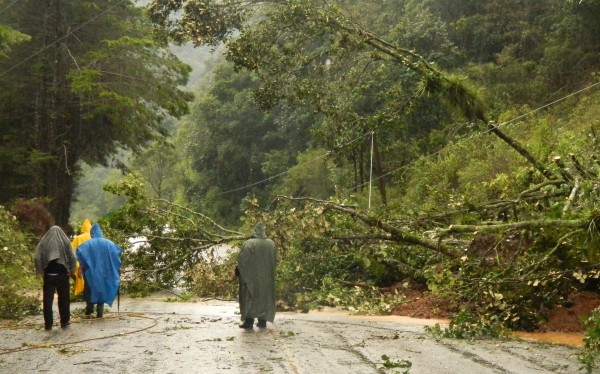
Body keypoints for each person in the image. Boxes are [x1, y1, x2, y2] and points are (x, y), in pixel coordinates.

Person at [34, 226, 78, 330]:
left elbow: (37, 257)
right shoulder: (65, 241)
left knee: (47, 300)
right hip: (62, 274)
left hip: (49, 275)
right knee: (64, 298)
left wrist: (41, 271)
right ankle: (64, 322)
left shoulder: (43, 242)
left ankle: (48, 324)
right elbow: (73, 257)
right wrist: (71, 270)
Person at [235, 222, 277, 329]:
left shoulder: (249, 243)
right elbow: (273, 261)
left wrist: (238, 271)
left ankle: (249, 322)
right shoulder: (271, 244)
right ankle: (262, 321)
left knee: (249, 297)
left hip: (250, 277)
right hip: (266, 278)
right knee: (264, 298)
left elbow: (242, 261)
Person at [76, 223, 122, 318]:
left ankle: (89, 309)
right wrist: (118, 268)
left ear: (91, 233)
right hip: (105, 272)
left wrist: (81, 268)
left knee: (89, 290)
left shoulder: (87, 245)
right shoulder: (109, 244)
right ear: (100, 232)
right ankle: (100, 311)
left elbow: (80, 255)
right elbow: (116, 258)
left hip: (91, 273)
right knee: (102, 289)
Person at [71, 219, 92, 296]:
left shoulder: (78, 238)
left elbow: (72, 250)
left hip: (81, 263)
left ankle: (82, 293)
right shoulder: (94, 236)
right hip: (93, 263)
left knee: (82, 279)